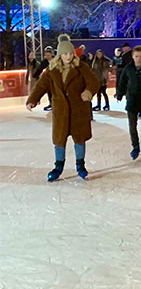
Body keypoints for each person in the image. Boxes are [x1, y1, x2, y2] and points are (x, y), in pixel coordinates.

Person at [26, 34, 101, 181]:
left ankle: (80, 165)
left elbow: (94, 81)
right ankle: (58, 167)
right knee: (59, 140)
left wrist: (88, 91)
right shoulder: (52, 70)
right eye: (65, 53)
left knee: (79, 139)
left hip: (78, 111)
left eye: (70, 53)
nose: (68, 56)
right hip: (61, 112)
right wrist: (32, 100)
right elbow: (41, 86)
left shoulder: (81, 67)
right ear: (60, 54)